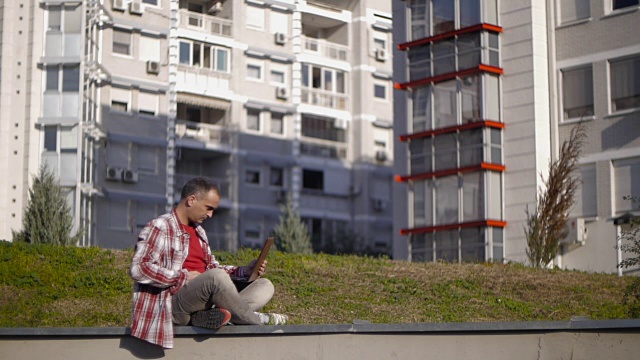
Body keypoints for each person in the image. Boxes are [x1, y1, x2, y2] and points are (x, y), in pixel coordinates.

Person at [130, 177, 287, 349]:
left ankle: (215, 316)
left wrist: (244, 271)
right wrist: (182, 277)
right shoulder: (160, 226)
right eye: (208, 208)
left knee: (265, 285)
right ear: (191, 200)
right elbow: (139, 268)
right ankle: (257, 320)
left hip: (204, 299)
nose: (210, 215)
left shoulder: (199, 232)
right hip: (174, 304)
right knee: (217, 277)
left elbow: (213, 269)